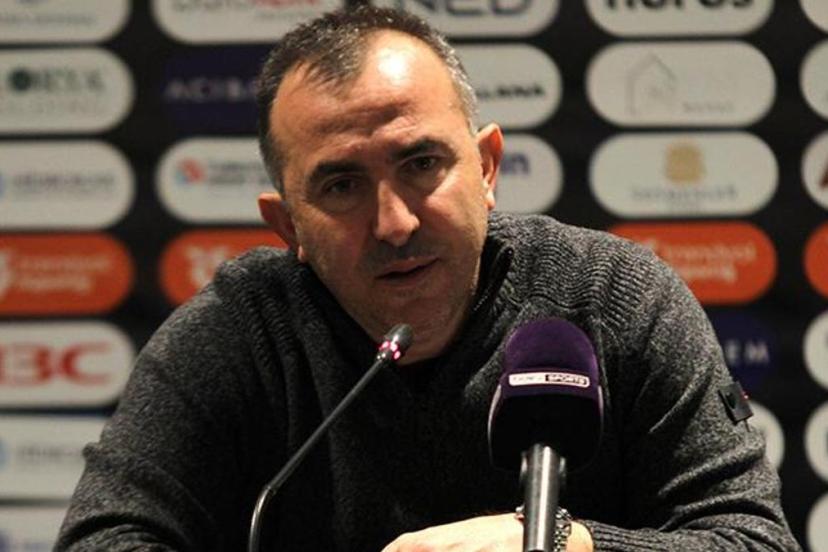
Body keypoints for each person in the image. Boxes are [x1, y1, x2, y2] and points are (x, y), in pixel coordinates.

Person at [56, 6, 801, 552]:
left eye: (421, 164)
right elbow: (104, 539)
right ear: (288, 228)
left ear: (486, 168)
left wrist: (556, 541)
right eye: (342, 185)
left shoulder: (614, 298)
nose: (395, 222)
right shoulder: (241, 333)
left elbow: (753, 540)